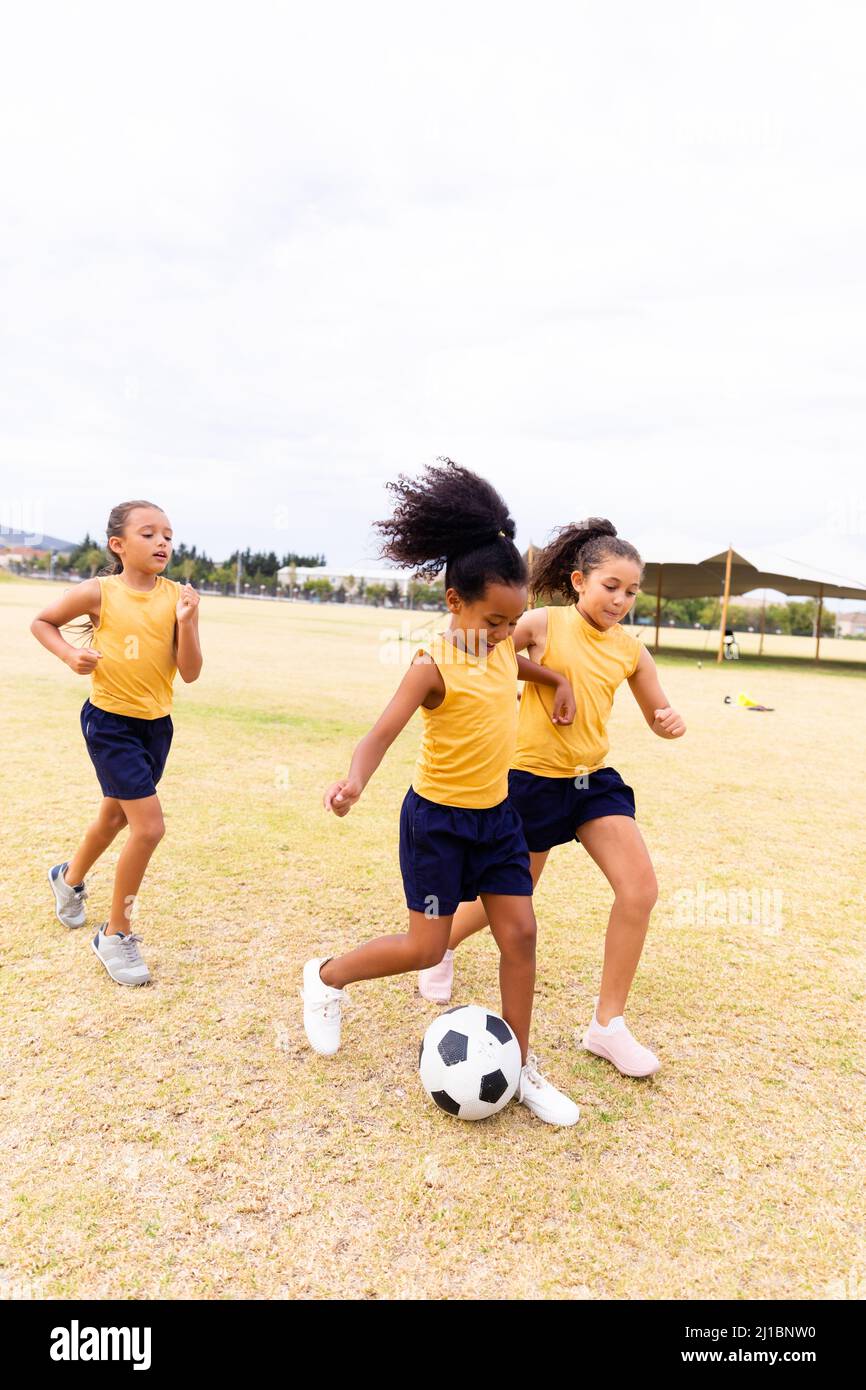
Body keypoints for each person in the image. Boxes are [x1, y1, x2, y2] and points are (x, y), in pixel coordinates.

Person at [302, 460, 580, 1125]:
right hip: (438, 825)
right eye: (492, 620)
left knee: (521, 933)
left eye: (514, 621)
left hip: (498, 821)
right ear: (453, 603)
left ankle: (517, 1065)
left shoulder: (501, 649)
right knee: (426, 947)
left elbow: (521, 665)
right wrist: (354, 781)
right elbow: (380, 735)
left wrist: (556, 682)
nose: (504, 633)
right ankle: (326, 978)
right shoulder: (433, 665)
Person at [419, 519, 686, 1078]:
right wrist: (549, 679)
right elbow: (481, 650)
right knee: (510, 905)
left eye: (632, 591)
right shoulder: (543, 622)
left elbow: (655, 713)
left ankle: (606, 1026)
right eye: (611, 585)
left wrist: (667, 721)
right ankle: (439, 945)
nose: (621, 599)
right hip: (532, 783)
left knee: (639, 889)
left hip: (592, 783)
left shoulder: (632, 651)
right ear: (579, 580)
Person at [31, 500, 202, 985]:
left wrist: (187, 621)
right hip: (110, 724)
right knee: (148, 828)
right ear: (118, 545)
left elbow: (189, 672)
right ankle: (115, 933)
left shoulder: (177, 598)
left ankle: (67, 880)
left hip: (157, 727)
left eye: (168, 534)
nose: (162, 542)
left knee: (114, 814)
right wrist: (69, 654)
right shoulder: (98, 592)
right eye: (148, 534)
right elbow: (42, 622)